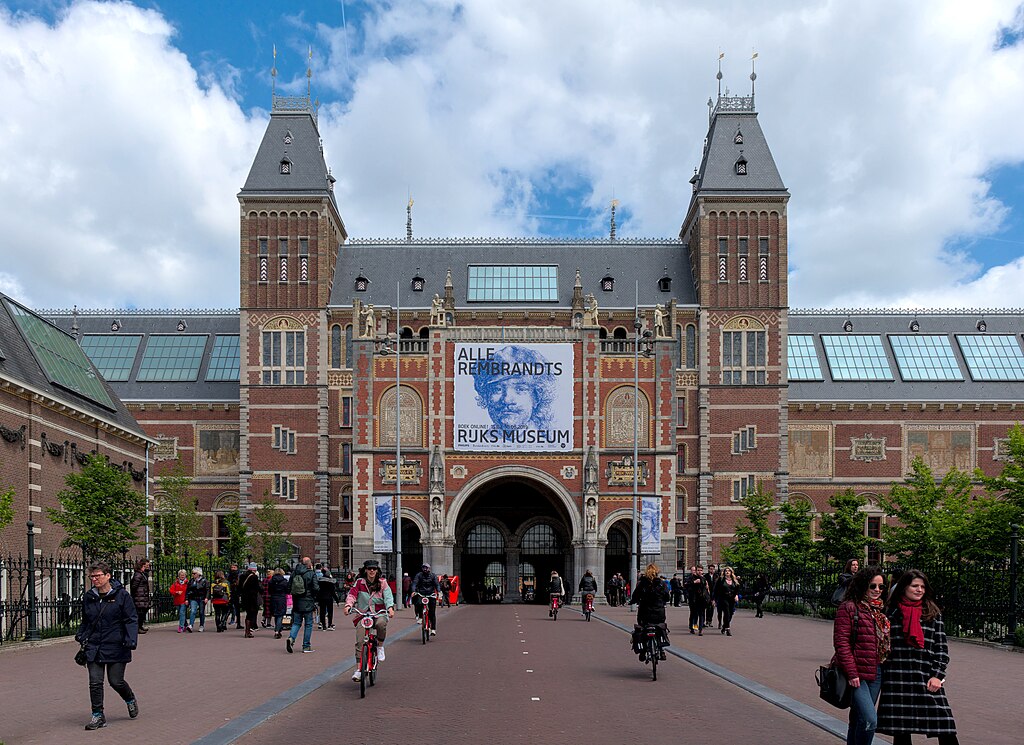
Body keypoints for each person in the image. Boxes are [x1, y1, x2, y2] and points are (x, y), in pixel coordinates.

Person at [877, 570, 960, 745]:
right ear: (904, 587)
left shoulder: (932, 612)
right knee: (901, 731)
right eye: (915, 586)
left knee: (944, 726)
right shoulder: (890, 613)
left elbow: (941, 648)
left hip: (926, 677)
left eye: (922, 586)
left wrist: (938, 675)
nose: (919, 590)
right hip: (898, 678)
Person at [76, 561, 139, 730]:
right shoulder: (89, 597)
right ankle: (98, 715)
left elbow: (131, 619)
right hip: (94, 645)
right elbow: (86, 620)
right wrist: (81, 635)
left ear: (108, 576)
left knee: (115, 681)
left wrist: (131, 639)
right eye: (92, 576)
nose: (95, 579)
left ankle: (130, 698)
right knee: (95, 682)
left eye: (98, 576)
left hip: (117, 644)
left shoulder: (122, 596)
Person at [833, 566, 891, 745]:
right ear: (862, 585)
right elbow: (841, 642)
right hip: (856, 672)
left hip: (876, 671)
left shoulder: (880, 611)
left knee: (858, 718)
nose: (877, 590)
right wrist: (852, 672)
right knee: (869, 720)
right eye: (872, 586)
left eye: (881, 587)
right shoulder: (849, 607)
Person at [472, 345, 558, 431]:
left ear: (536, 397)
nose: (507, 400)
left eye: (520, 389)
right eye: (497, 389)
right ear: (485, 396)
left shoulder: (548, 440)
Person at [344, 559, 395, 682]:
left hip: (378, 612)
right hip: (363, 613)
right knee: (360, 640)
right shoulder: (359, 582)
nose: (372, 571)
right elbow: (352, 594)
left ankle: (380, 646)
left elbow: (388, 596)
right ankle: (359, 669)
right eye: (369, 568)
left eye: (374, 569)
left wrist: (390, 608)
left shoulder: (382, 583)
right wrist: (348, 605)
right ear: (365, 570)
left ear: (377, 570)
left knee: (381, 624)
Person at [629, 563, 671, 661]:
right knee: (660, 627)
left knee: (642, 628)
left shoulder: (642, 583)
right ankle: (661, 650)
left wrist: (633, 601)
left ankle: (643, 652)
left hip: (645, 612)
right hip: (658, 612)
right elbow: (667, 597)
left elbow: (635, 596)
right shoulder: (661, 583)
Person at [287, 556, 320, 653]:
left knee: (296, 623)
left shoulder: (294, 573)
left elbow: (289, 587)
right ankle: (306, 646)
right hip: (308, 602)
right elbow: (316, 588)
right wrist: (313, 597)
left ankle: (291, 638)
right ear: (309, 564)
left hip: (297, 602)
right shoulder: (311, 574)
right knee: (308, 624)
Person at [411, 563, 440, 633]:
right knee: (418, 603)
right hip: (422, 593)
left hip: (431, 594)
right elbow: (414, 583)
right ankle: (420, 617)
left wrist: (439, 591)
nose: (425, 569)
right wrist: (413, 591)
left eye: (426, 568)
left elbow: (437, 584)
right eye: (423, 568)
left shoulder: (433, 576)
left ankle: (433, 629)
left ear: (429, 569)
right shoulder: (419, 575)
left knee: (432, 612)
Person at [239, 562, 263, 638]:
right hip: (252, 598)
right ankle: (248, 631)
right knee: (251, 614)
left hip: (244, 597)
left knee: (248, 613)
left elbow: (240, 587)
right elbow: (257, 588)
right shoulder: (254, 577)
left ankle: (247, 630)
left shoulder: (242, 576)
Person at [715, 566, 741, 636]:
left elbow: (737, 589)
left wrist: (736, 595)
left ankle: (724, 626)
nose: (727, 572)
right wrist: (714, 599)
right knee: (726, 612)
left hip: (731, 598)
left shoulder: (734, 580)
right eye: (726, 571)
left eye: (729, 571)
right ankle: (728, 629)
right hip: (723, 598)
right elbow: (716, 590)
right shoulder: (721, 580)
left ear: (731, 572)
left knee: (731, 613)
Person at [686, 565, 710, 635]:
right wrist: (694, 582)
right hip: (693, 599)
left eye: (701, 570)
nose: (700, 572)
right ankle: (692, 627)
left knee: (701, 614)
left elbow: (706, 588)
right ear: (696, 571)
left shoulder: (703, 579)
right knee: (693, 614)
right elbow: (686, 586)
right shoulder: (691, 578)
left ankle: (700, 629)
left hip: (701, 599)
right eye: (698, 570)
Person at [129, 559, 151, 634]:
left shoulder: (142, 574)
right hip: (139, 597)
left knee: (142, 612)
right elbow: (134, 586)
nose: (149, 567)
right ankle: (138, 628)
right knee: (139, 613)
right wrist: (137, 595)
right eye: (147, 565)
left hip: (142, 597)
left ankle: (140, 626)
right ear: (143, 565)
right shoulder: (138, 574)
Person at [268, 567, 290, 638]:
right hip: (281, 598)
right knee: (280, 615)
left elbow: (269, 590)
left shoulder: (271, 581)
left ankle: (278, 629)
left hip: (273, 598)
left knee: (276, 614)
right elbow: (287, 590)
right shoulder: (284, 581)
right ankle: (277, 630)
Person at [185, 567, 208, 632]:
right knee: (193, 611)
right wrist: (187, 599)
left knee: (201, 612)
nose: (193, 575)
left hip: (201, 598)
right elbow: (188, 590)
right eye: (192, 573)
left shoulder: (204, 581)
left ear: (198, 574)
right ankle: (191, 625)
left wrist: (206, 597)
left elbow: (207, 590)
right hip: (193, 598)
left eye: (194, 573)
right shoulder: (191, 581)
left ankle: (201, 625)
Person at [227, 563, 242, 629]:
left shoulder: (239, 575)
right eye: (232, 567)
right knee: (228, 608)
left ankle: (238, 623)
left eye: (234, 567)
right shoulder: (228, 575)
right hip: (230, 593)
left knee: (237, 609)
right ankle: (223, 622)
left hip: (237, 593)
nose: (233, 569)